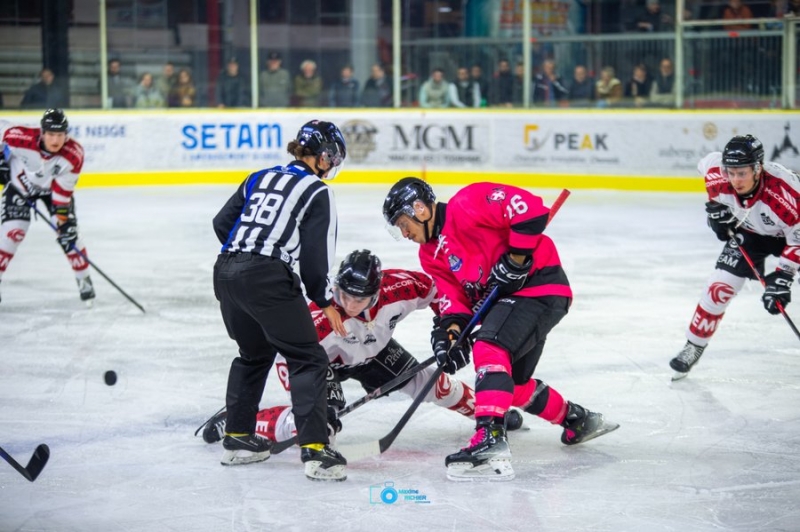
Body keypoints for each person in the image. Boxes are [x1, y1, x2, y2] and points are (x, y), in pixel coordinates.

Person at [382, 178, 618, 481]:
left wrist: (517, 259)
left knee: (489, 347)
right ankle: (577, 420)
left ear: (420, 209)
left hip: (539, 286)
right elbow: (454, 300)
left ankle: (489, 437)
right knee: (511, 385)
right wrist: (451, 332)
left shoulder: (466, 203)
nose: (404, 233)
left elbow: (530, 211)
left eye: (404, 224)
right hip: (512, 302)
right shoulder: (429, 254)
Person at [201, 250, 521, 447]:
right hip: (320, 364)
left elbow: (441, 294)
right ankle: (240, 419)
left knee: (436, 386)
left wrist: (453, 327)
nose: (351, 305)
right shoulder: (316, 316)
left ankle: (488, 415)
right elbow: (288, 358)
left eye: (361, 299)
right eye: (345, 295)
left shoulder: (401, 286)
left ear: (377, 293)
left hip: (375, 352)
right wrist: (311, 402)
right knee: (317, 428)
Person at [211, 120, 348, 481]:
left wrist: (245, 257)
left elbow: (222, 223)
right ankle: (316, 450)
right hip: (266, 277)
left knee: (253, 354)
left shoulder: (258, 176)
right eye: (332, 160)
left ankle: (238, 439)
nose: (332, 167)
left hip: (225, 271)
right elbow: (316, 258)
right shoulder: (317, 191)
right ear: (323, 157)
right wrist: (324, 299)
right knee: (308, 358)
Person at [669, 135, 800, 380]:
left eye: (742, 173)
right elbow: (706, 163)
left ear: (758, 168)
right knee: (719, 288)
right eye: (731, 172)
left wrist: (783, 276)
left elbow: (797, 240)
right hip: (750, 233)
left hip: (791, 236)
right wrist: (716, 214)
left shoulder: (786, 193)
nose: (735, 180)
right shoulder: (717, 173)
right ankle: (694, 345)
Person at [0, 109, 94, 304]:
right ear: (42, 133)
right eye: (51, 134)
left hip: (52, 191)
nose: (55, 140)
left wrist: (63, 222)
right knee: (12, 233)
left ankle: (83, 279)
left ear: (66, 135)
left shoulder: (73, 155)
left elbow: (62, 196)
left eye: (60, 135)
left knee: (69, 236)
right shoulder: (20, 136)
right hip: (19, 186)